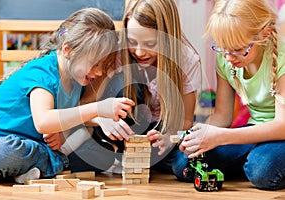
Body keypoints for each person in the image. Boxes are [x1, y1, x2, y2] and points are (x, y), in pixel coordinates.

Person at [0, 7, 135, 183]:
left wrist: (97, 119)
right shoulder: (43, 73)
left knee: (101, 154)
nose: (100, 72)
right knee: (5, 153)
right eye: (95, 64)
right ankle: (54, 163)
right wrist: (97, 109)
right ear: (67, 50)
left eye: (103, 65)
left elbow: (70, 117)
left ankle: (33, 170)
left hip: (36, 145)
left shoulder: (76, 78)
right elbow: (43, 122)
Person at [179, 0, 285, 190]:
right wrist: (194, 134)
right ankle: (249, 160)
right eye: (223, 48)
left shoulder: (282, 58)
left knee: (262, 170)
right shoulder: (226, 58)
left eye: (237, 49)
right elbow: (222, 115)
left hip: (281, 134)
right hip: (253, 133)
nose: (228, 57)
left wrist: (221, 137)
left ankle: (252, 161)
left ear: (264, 35)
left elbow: (281, 126)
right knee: (184, 163)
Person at [92, 0, 201, 177]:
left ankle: (150, 159)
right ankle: (130, 153)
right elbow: (89, 103)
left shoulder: (186, 60)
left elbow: (186, 120)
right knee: (125, 84)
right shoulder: (118, 52)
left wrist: (169, 138)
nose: (140, 52)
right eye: (132, 41)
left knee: (185, 167)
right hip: (126, 126)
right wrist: (102, 118)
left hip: (164, 129)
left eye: (151, 44)